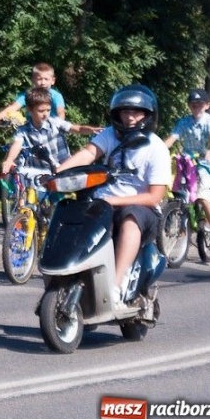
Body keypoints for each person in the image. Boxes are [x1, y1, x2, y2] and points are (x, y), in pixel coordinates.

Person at [56, 84, 171, 309]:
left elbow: (154, 197)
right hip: (103, 203)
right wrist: (58, 173)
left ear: (149, 115)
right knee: (70, 211)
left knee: (130, 219)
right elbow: (88, 153)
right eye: (125, 112)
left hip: (142, 210)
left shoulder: (157, 148)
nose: (130, 118)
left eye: (136, 112)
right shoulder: (110, 135)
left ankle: (115, 286)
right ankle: (68, 273)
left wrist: (114, 201)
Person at [164, 88, 210, 248]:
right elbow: (172, 138)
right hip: (188, 161)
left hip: (207, 163)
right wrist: (159, 149)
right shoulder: (184, 122)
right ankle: (179, 224)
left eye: (200, 104)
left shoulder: (209, 121)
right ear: (189, 106)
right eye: (193, 105)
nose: (197, 107)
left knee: (203, 196)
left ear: (207, 105)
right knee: (177, 191)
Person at [0, 87, 100, 176]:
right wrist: (9, 160)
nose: (45, 114)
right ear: (30, 110)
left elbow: (77, 129)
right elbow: (16, 145)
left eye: (48, 110)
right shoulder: (23, 131)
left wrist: (91, 130)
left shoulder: (55, 122)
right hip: (42, 173)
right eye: (41, 111)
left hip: (64, 168)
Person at [0, 62, 66, 129]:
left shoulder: (56, 96)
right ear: (33, 80)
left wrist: (59, 125)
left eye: (46, 79)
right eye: (39, 79)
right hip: (31, 131)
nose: (43, 82)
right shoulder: (28, 94)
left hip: (51, 129)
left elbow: (60, 112)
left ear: (53, 81)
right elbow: (13, 107)